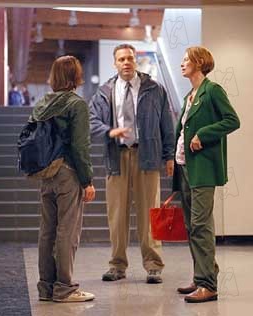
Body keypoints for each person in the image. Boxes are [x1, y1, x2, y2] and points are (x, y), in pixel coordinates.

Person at [89, 44, 175, 284]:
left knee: (150, 213)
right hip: (116, 158)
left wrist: (169, 156)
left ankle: (154, 265)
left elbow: (166, 124)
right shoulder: (105, 91)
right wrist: (109, 130)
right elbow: (90, 120)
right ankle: (117, 265)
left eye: (130, 58)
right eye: (121, 59)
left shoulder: (154, 89)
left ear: (135, 61)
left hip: (147, 157)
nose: (126, 62)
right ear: (114, 63)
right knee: (117, 215)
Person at [173, 46, 240, 303]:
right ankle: (201, 276)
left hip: (203, 169)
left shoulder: (212, 90)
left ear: (199, 62)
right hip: (185, 166)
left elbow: (232, 120)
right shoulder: (190, 94)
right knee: (192, 226)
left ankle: (208, 285)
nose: (181, 64)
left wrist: (204, 135)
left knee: (201, 225)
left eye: (186, 60)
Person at [31, 55, 96, 303]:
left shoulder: (42, 103)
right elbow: (80, 147)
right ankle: (65, 288)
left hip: (46, 174)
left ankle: (46, 287)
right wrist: (87, 180)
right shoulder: (75, 104)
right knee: (68, 231)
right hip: (68, 173)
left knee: (47, 231)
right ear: (75, 76)